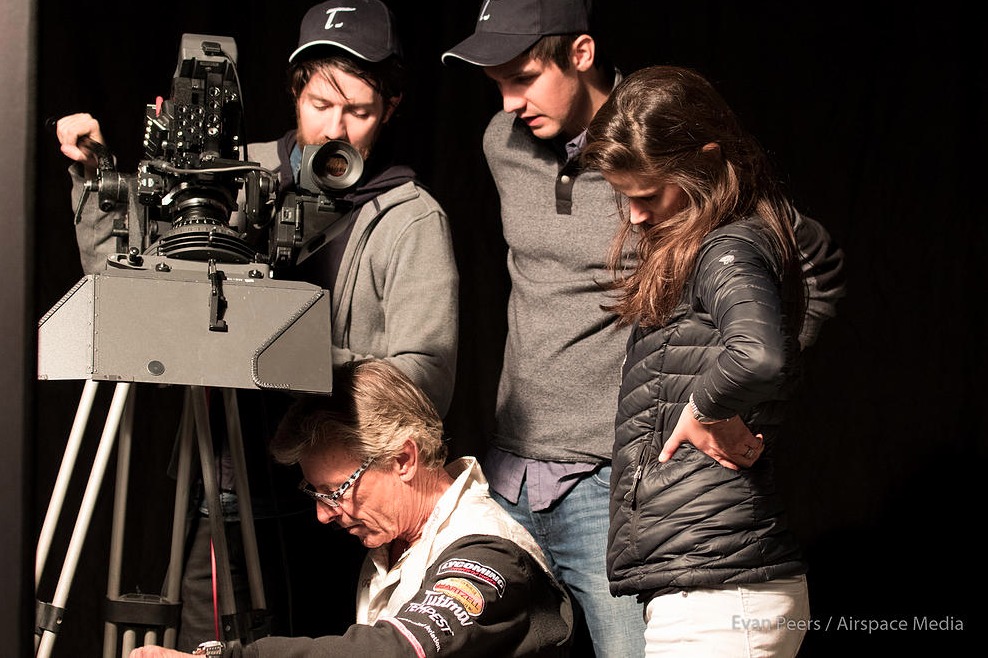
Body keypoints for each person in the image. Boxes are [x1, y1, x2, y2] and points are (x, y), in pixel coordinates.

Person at [441, 1, 844, 656]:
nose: (510, 102)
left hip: (611, 486)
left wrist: (739, 396)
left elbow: (809, 263)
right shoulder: (500, 142)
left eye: (524, 77)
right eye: (498, 85)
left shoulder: (661, 147)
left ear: (580, 54)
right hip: (506, 475)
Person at [54, 0, 459, 649]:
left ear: (391, 108)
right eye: (322, 104)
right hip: (223, 488)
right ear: (295, 92)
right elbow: (121, 284)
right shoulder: (225, 176)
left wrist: (287, 350)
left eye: (359, 111)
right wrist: (96, 177)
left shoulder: (409, 216)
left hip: (343, 508)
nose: (337, 128)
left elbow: (425, 383)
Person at [581, 64, 819, 657]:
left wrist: (707, 407)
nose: (634, 215)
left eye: (647, 195)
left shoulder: (727, 245)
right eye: (624, 197)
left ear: (708, 160)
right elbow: (817, 283)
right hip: (718, 586)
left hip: (720, 598)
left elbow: (760, 356)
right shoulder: (730, 237)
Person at [128, 359, 574, 658]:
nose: (324, 514)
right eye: (317, 493)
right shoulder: (396, 544)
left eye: (336, 490)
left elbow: (395, 651)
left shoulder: (487, 554)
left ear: (404, 459)